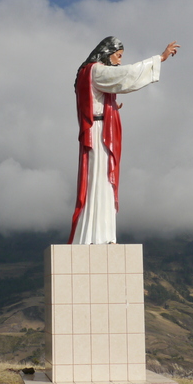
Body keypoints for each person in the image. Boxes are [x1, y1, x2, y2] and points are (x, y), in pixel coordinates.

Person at [69, 36, 180, 245]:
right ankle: (97, 235)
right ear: (108, 52)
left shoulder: (87, 72)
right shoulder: (96, 69)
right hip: (99, 132)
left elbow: (94, 100)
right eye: (118, 56)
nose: (119, 61)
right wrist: (160, 59)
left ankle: (100, 233)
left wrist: (109, 108)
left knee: (102, 181)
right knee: (100, 180)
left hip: (99, 128)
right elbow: (126, 75)